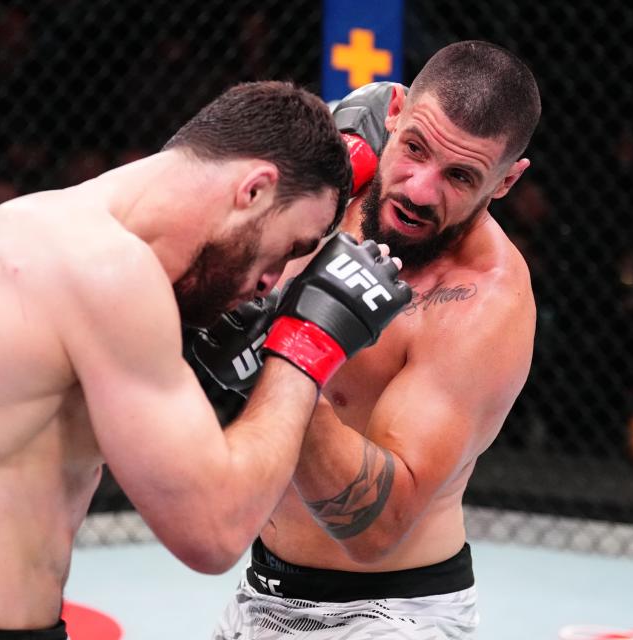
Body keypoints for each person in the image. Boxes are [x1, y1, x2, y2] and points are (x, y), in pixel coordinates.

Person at [0, 81, 412, 640]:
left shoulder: (41, 229)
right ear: (253, 190)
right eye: (289, 249)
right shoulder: (107, 271)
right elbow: (213, 530)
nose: (268, 286)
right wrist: (307, 345)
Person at [204, 41, 542, 639]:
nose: (419, 190)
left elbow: (379, 526)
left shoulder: (484, 302)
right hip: (262, 588)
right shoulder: (337, 181)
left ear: (507, 180)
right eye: (414, 149)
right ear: (395, 111)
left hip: (395, 612)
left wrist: (285, 354)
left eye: (460, 176)